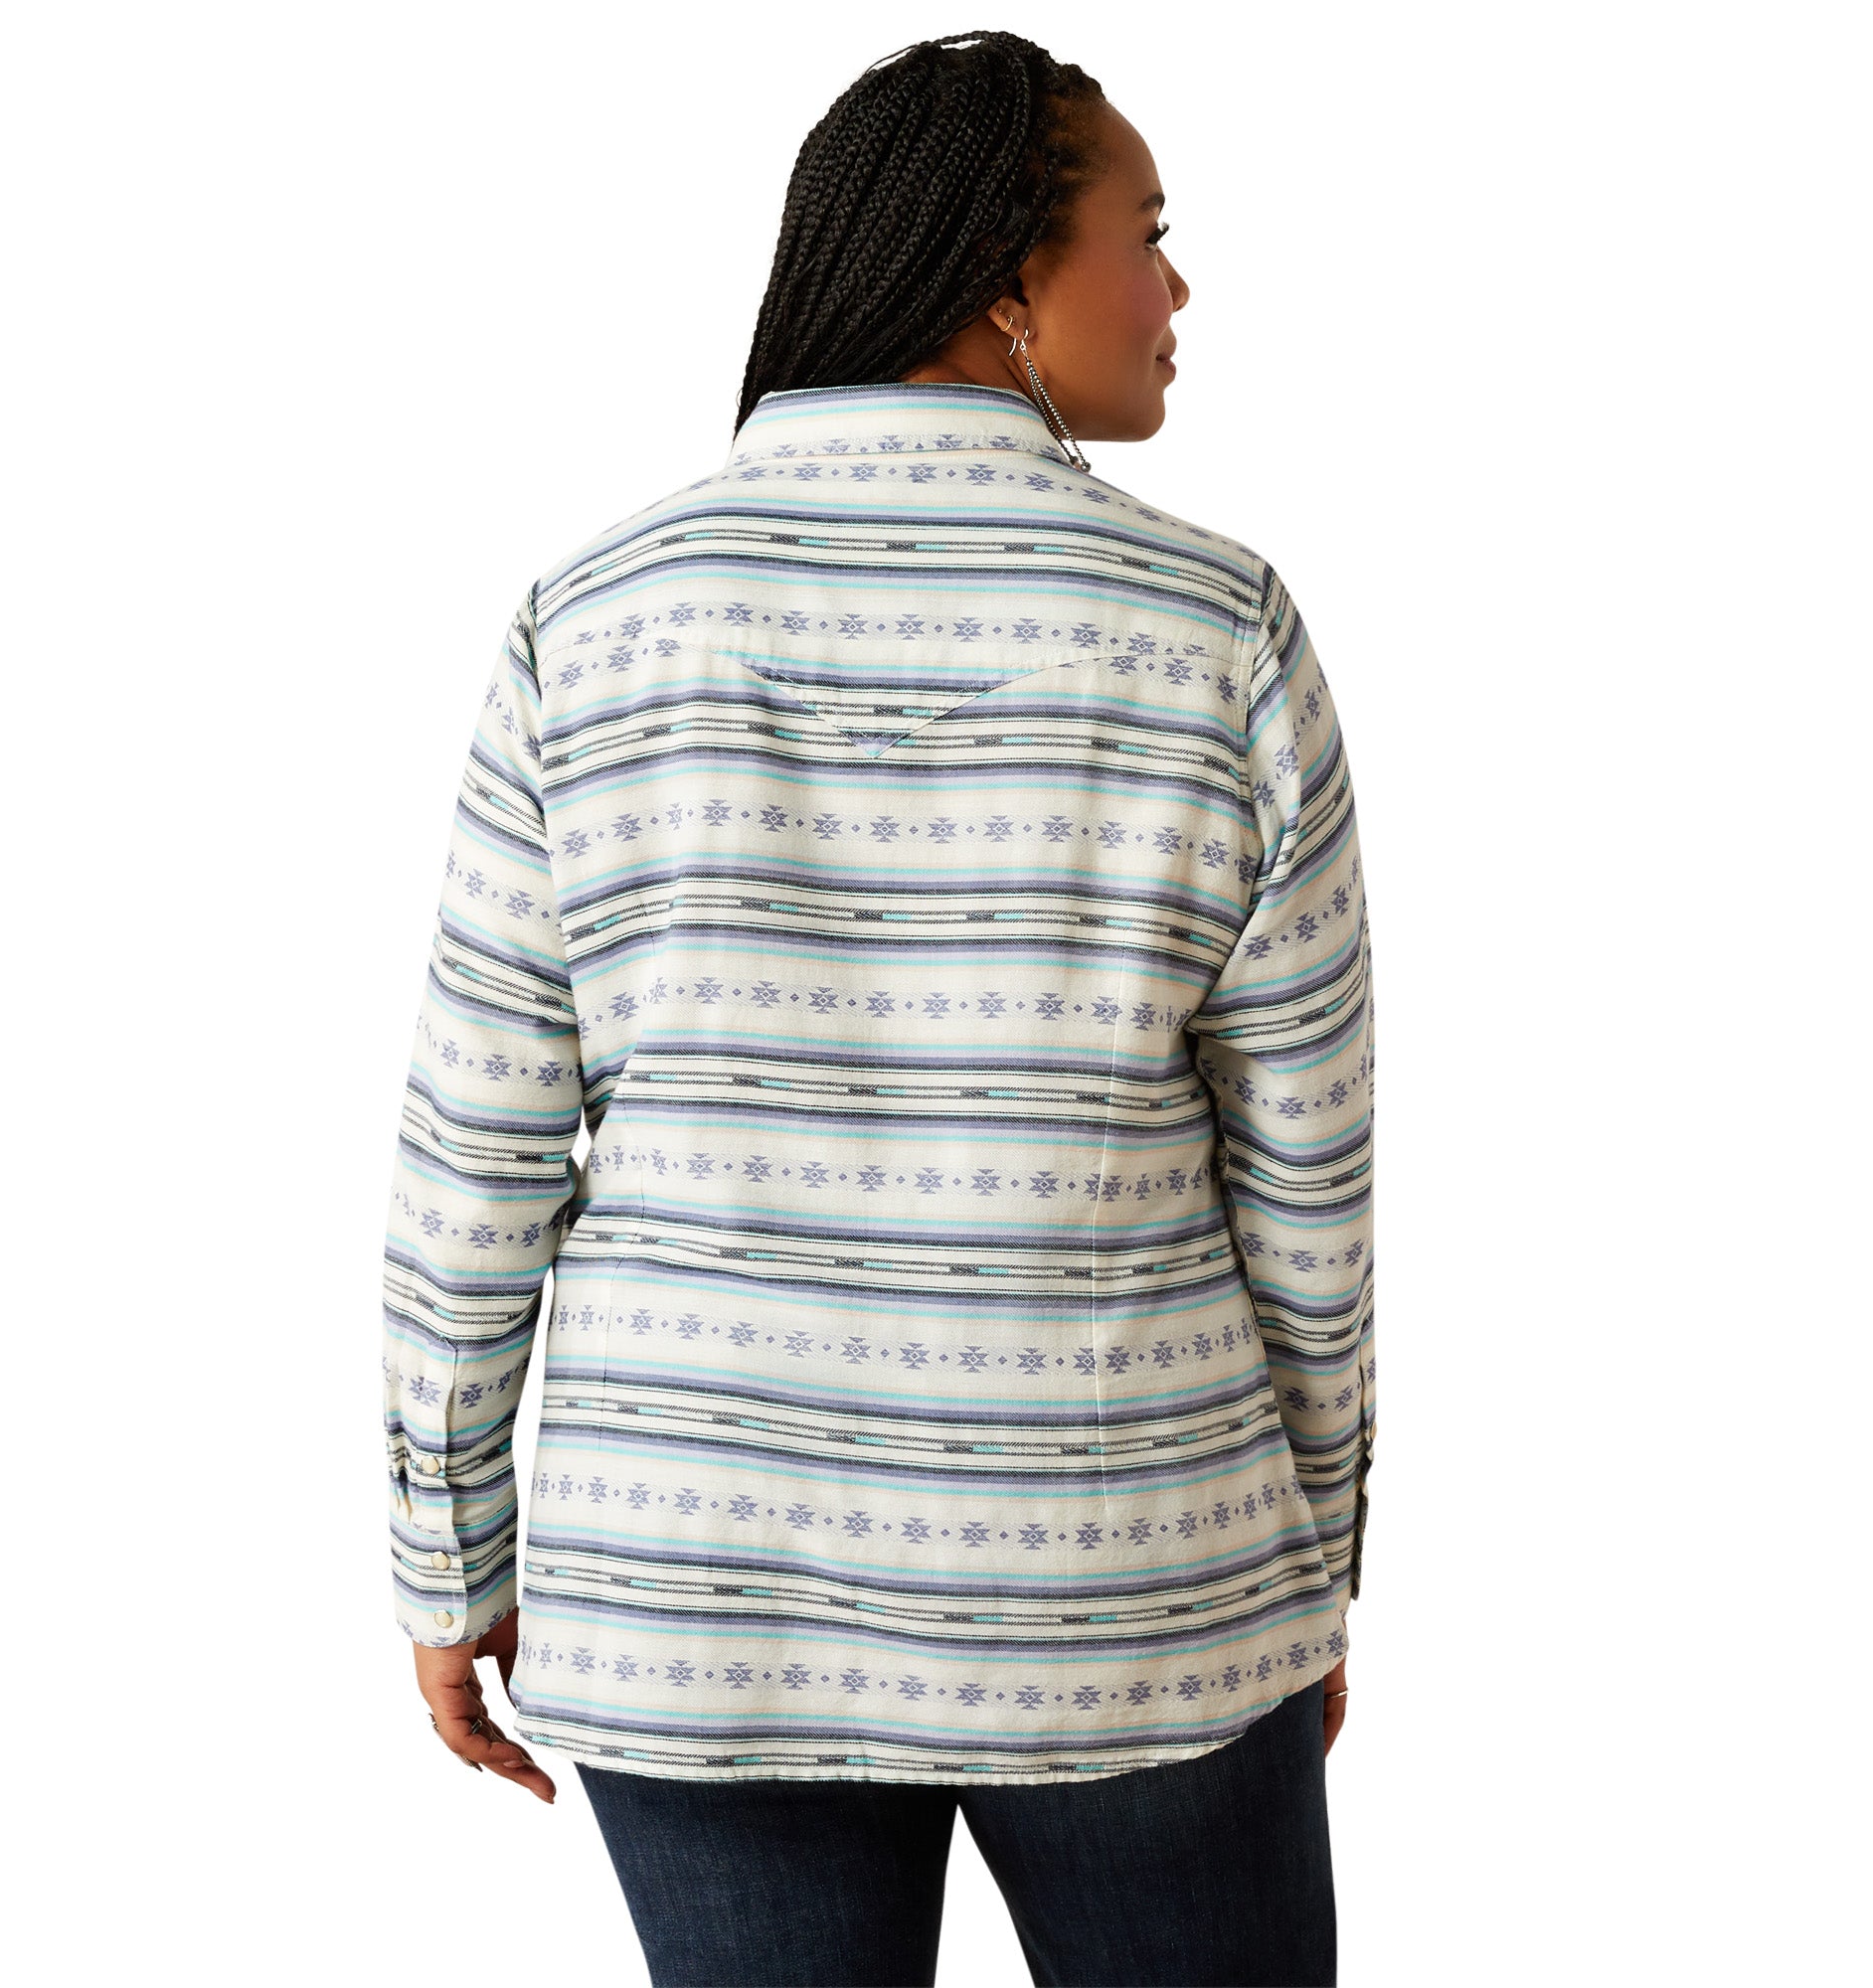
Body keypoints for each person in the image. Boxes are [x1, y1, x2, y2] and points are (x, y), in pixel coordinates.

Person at [379, 28, 1376, 1988]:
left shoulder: (594, 619)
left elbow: (475, 1151)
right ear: (1005, 280)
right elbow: (1307, 1178)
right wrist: (1303, 1558)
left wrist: (448, 1548)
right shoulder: (1215, 628)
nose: (1176, 290)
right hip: (1133, 1575)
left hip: (695, 1582)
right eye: (1146, 235)